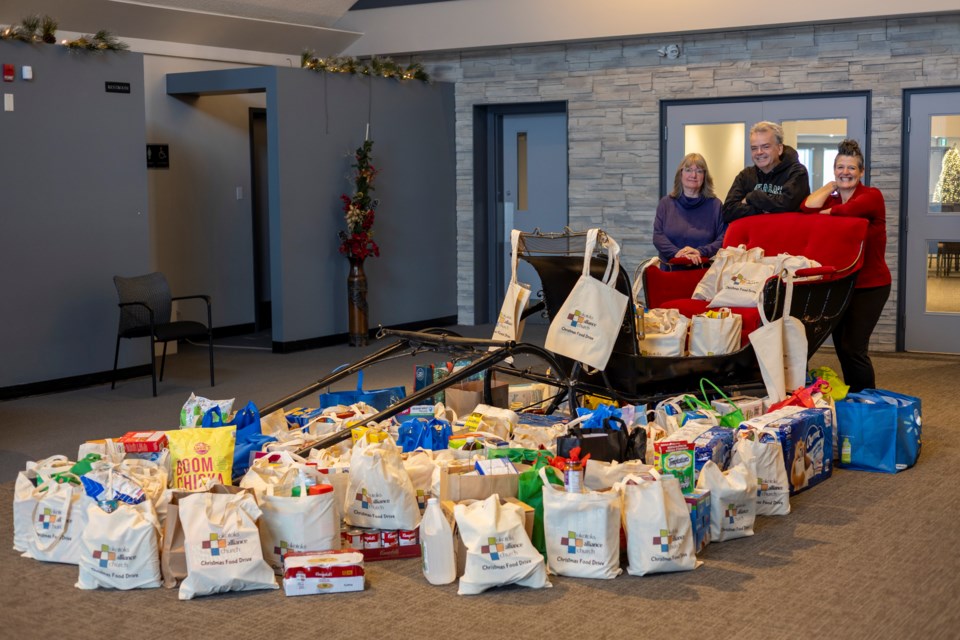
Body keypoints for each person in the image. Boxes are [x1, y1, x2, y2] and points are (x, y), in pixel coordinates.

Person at [801, 138, 890, 392]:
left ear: (861, 172)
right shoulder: (833, 198)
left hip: (870, 285)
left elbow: (851, 211)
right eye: (840, 167)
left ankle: (869, 403)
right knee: (842, 348)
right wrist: (830, 186)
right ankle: (855, 402)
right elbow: (806, 206)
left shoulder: (871, 196)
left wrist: (825, 215)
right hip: (841, 285)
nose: (845, 173)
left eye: (851, 168)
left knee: (853, 348)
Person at [722, 121, 811, 224]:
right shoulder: (745, 176)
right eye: (754, 148)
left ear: (779, 149)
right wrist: (762, 210)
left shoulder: (797, 172)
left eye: (766, 146)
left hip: (787, 237)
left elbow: (788, 205)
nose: (759, 152)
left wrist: (752, 197)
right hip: (753, 238)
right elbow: (728, 211)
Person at [653, 153, 726, 268]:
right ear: (680, 174)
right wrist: (677, 253)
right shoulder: (665, 203)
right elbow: (658, 237)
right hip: (670, 272)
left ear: (705, 176)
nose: (693, 175)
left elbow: (723, 239)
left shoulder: (716, 205)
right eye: (688, 170)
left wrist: (700, 252)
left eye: (699, 171)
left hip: (704, 275)